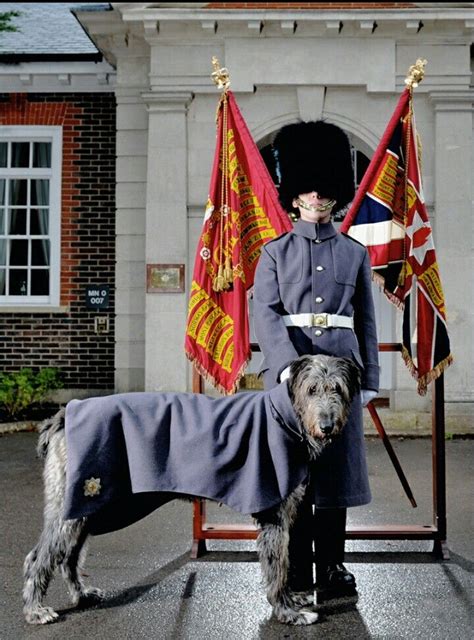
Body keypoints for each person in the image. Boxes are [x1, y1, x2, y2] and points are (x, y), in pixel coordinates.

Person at [253, 120, 380, 598]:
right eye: (309, 190)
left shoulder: (353, 253)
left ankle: (331, 566)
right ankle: (296, 570)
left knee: (337, 476)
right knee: (296, 475)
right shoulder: (275, 253)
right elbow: (264, 311)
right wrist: (286, 367)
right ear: (294, 197)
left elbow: (365, 319)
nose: (318, 198)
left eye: (326, 190)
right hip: (293, 379)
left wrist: (368, 378)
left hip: (343, 374)